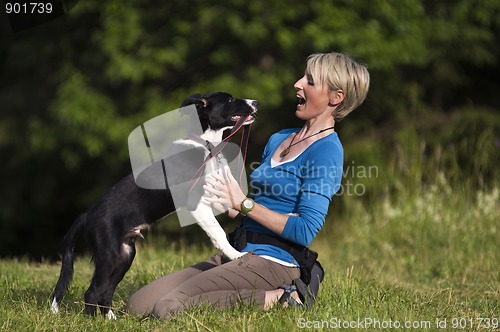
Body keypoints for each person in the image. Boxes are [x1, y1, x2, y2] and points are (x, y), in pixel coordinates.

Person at [126, 52, 370, 319]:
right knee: (138, 304)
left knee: (168, 308)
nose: (297, 84)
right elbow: (250, 211)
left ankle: (283, 297)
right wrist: (222, 198)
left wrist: (244, 203)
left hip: (274, 261)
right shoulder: (279, 138)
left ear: (336, 97)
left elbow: (304, 230)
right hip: (240, 250)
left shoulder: (327, 151)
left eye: (310, 81)